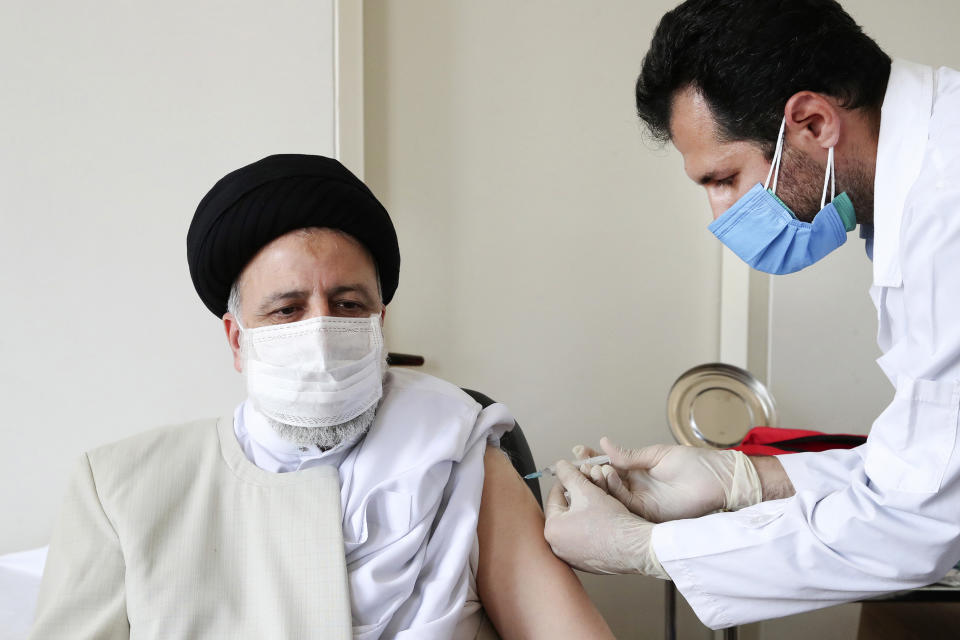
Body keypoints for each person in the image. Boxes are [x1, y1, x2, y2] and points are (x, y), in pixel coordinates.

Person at [30, 154, 613, 640]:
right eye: (286, 309)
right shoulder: (121, 489)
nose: (320, 331)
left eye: (348, 305)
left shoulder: (458, 452)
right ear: (238, 340)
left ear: (379, 323)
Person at [544, 0, 960, 631]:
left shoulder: (945, 209)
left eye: (724, 178)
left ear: (814, 123)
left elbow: (923, 516)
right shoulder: (918, 176)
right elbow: (927, 461)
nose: (720, 216)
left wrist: (649, 550)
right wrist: (743, 478)